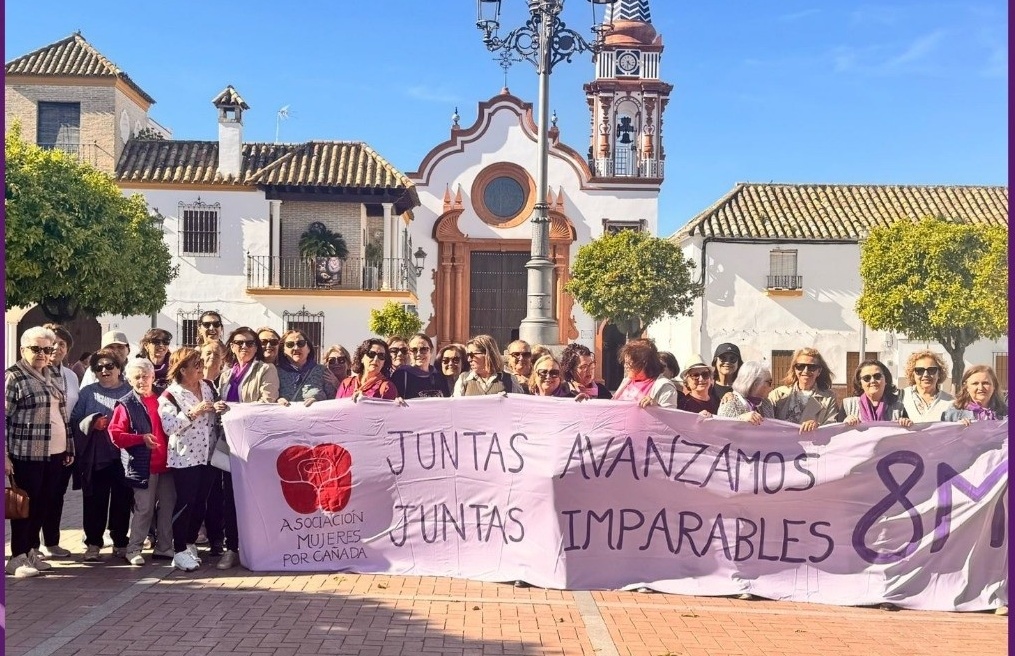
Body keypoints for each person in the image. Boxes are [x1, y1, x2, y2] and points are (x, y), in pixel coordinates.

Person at [5, 327, 75, 578]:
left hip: (55, 453)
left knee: (44, 505)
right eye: (36, 349)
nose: (43, 354)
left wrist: (68, 446)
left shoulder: (53, 373)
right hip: (27, 454)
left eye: (47, 349)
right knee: (25, 506)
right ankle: (17, 557)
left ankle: (31, 551)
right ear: (23, 349)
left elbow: (62, 414)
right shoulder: (14, 377)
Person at [158, 348, 230, 572]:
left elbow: (216, 411)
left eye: (200, 362)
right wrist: (193, 412)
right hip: (185, 457)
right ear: (182, 369)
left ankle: (189, 543)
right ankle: (178, 549)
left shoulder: (208, 386)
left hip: (207, 455)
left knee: (201, 502)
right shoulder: (170, 395)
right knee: (185, 502)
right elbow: (169, 427)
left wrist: (219, 408)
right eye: (195, 364)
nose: (200, 367)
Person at [216, 327, 280, 569]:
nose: (245, 347)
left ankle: (259, 548)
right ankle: (231, 548)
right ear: (231, 345)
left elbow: (267, 403)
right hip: (228, 444)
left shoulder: (266, 370)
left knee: (254, 498)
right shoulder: (225, 375)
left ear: (257, 347)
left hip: (253, 445)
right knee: (230, 498)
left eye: (251, 343)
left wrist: (233, 410)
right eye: (239, 342)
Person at [108, 358, 174, 567]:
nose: (142, 380)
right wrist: (140, 439)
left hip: (168, 464)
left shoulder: (165, 398)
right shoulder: (126, 403)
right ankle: (134, 548)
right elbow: (115, 435)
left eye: (145, 376)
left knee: (168, 506)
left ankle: (164, 547)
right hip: (142, 465)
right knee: (144, 508)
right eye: (136, 377)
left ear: (153, 376)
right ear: (128, 379)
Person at [70, 349, 133, 562]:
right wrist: (91, 422)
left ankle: (120, 542)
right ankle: (93, 543)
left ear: (119, 368)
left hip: (124, 457)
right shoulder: (87, 392)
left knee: (122, 501)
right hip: (96, 457)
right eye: (99, 367)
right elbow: (75, 420)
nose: (104, 370)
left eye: (109, 366)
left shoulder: (130, 391)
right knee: (94, 501)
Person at [39, 323, 80, 558]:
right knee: (37, 494)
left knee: (56, 494)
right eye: (52, 343)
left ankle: (52, 542)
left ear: (67, 349)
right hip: (37, 445)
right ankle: (31, 544)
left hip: (65, 445)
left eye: (61, 344)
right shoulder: (35, 372)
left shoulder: (71, 376)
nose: (56, 348)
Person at [768, 347, 841, 432]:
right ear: (795, 369)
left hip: (811, 444)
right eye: (801, 366)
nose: (806, 371)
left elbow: (832, 427)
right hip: (782, 444)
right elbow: (764, 420)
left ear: (819, 371)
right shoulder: (778, 394)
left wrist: (817, 425)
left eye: (812, 367)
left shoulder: (828, 398)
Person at [842, 360, 912, 427]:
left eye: (877, 376)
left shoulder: (898, 407)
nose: (872, 381)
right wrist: (844, 424)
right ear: (860, 383)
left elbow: (907, 436)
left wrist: (906, 423)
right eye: (867, 378)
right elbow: (837, 435)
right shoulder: (848, 406)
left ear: (886, 380)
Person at [612, 338, 679, 408]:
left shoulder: (664, 386)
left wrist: (656, 406)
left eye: (629, 363)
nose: (625, 366)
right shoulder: (627, 381)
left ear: (643, 363)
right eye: (625, 362)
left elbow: (671, 416)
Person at [453, 335, 522, 396]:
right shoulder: (464, 379)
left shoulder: (509, 379)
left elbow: (519, 405)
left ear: (487, 354)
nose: (469, 359)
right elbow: (456, 406)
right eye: (467, 355)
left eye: (472, 355)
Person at [275, 329, 328, 407]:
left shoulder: (322, 371)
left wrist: (319, 402)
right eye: (290, 344)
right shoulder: (275, 372)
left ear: (309, 348)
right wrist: (276, 401)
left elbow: (334, 399)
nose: (296, 348)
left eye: (301, 343)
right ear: (284, 351)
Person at [899, 350, 954, 423]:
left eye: (931, 370)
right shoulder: (900, 397)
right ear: (913, 374)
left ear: (939, 373)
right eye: (919, 370)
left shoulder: (950, 402)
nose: (926, 374)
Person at [391, 333, 450, 399]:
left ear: (431, 351)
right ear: (409, 353)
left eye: (423, 349)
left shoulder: (439, 376)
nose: (418, 354)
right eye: (414, 350)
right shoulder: (401, 375)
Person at [942, 365, 1008, 423]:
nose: (981, 388)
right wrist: (956, 428)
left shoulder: (1006, 413)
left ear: (994, 386)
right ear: (966, 387)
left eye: (985, 383)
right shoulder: (954, 412)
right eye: (975, 383)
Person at [138, 328, 173, 393]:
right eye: (156, 342)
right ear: (146, 345)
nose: (161, 345)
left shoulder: (175, 366)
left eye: (165, 342)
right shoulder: (138, 367)